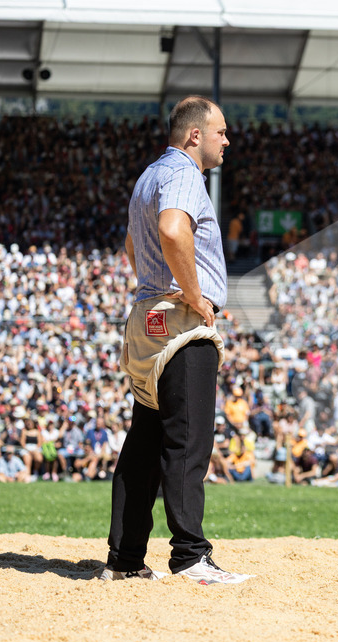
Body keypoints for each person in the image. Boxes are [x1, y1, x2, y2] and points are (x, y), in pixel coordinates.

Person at [102, 96, 251, 585]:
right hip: (183, 319)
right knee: (187, 441)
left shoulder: (149, 175)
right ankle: (190, 556)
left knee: (144, 439)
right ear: (195, 136)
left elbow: (131, 244)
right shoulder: (186, 173)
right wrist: (193, 295)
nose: (226, 141)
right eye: (221, 132)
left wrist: (153, 290)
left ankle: (124, 559)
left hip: (148, 317)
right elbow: (172, 229)